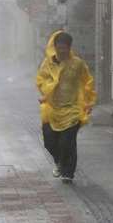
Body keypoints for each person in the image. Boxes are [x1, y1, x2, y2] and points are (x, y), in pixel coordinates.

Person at [36, 30, 96, 184]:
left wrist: (88, 103)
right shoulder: (48, 64)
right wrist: (49, 87)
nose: (62, 50)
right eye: (59, 47)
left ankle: (68, 173)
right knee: (49, 141)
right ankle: (59, 162)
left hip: (72, 109)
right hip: (52, 109)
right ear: (54, 47)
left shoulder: (77, 64)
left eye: (65, 47)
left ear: (70, 47)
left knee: (67, 142)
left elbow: (87, 82)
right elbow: (40, 80)